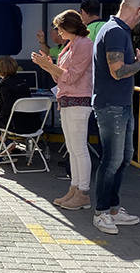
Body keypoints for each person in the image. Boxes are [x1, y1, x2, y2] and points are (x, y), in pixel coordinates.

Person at [91, 0, 140, 235]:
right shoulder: (115, 32)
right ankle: (102, 211)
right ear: (139, 11)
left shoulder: (115, 30)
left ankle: (111, 208)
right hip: (112, 105)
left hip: (118, 104)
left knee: (122, 157)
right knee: (113, 159)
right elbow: (118, 71)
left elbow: (120, 69)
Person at [32, 11, 94, 210]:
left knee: (79, 149)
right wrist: (48, 66)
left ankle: (82, 191)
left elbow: (71, 77)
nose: (57, 31)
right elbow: (61, 77)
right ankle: (75, 188)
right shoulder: (70, 45)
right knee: (73, 148)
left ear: (69, 26)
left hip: (78, 100)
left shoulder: (83, 45)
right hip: (68, 100)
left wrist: (47, 66)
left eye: (59, 27)